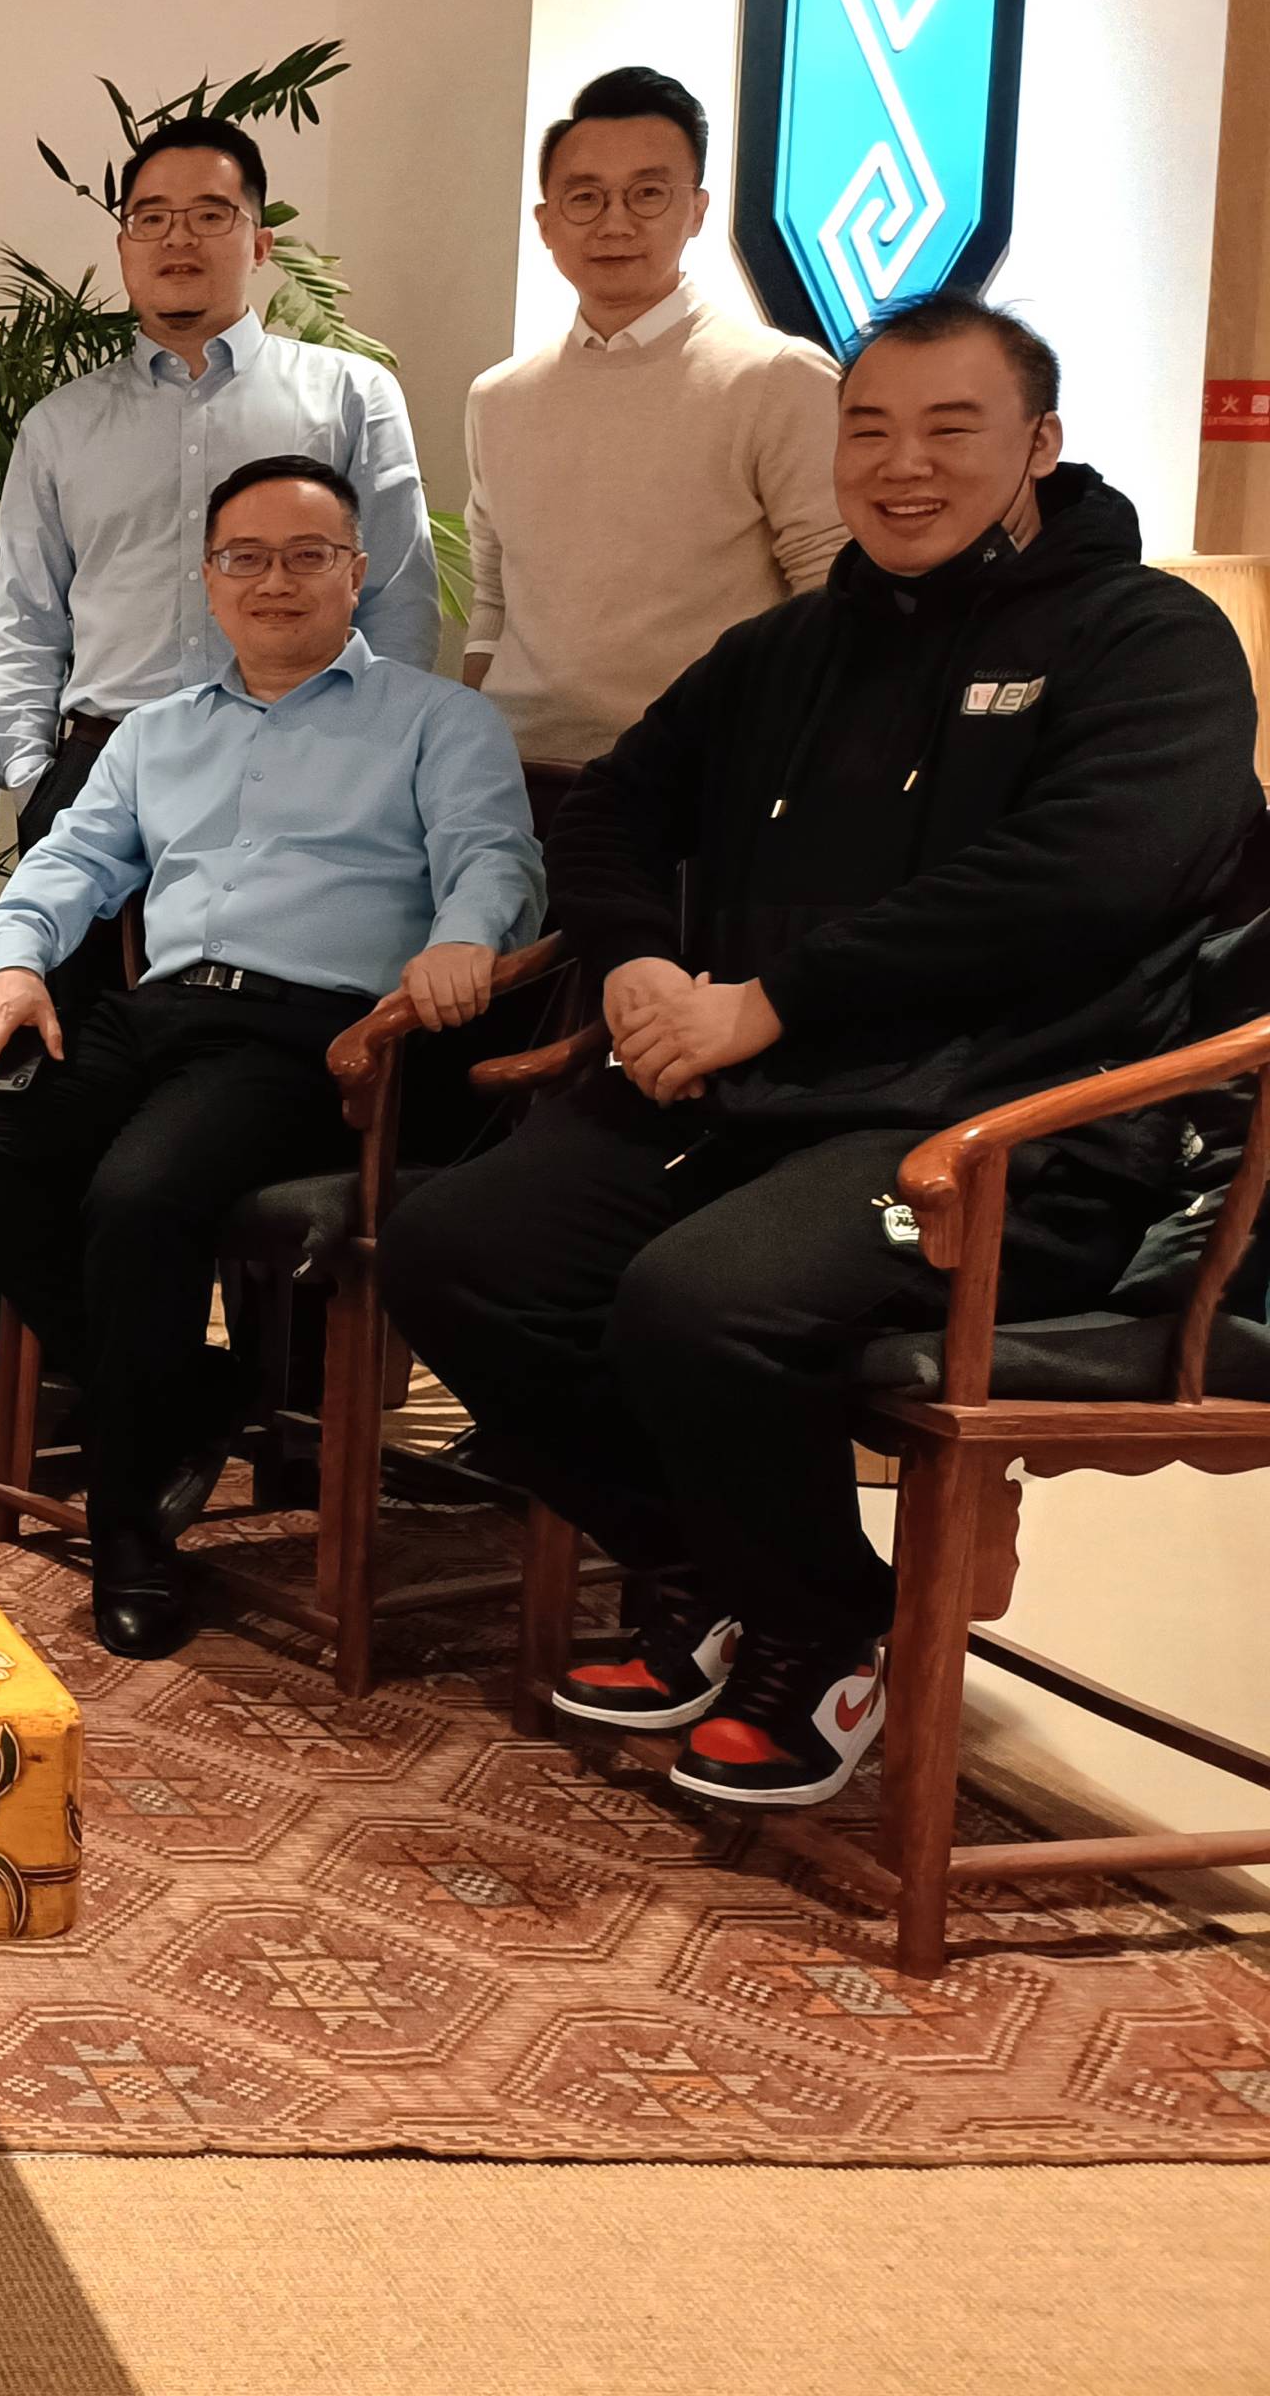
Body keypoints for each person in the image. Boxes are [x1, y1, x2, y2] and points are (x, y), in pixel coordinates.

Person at [381, 302, 1261, 1807]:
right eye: (870, 430)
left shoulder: (1146, 640)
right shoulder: (786, 647)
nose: (902, 465)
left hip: (1005, 1135)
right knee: (456, 1250)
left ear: (1038, 445)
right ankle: (704, 1567)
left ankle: (816, 1631)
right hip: (755, 1099)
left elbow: (1086, 875)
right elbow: (610, 811)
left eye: (950, 429)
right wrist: (640, 963)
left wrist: (772, 999)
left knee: (703, 1301)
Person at [0, 453, 542, 1660]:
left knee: (138, 1196)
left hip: (319, 1036)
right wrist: (17, 961)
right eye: (244, 558)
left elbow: (492, 857)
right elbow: (68, 862)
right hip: (158, 1017)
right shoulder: (153, 733)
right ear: (207, 580)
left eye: (306, 556)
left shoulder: (437, 721)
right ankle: (189, 1394)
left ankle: (129, 1529)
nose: (274, 581)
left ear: (355, 573)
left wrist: (463, 938)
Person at [0, 114, 437, 833]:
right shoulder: (59, 425)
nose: (178, 238)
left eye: (209, 214)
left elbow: (396, 598)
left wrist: (373, 756)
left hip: (307, 756)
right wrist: (34, 779)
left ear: (260, 243)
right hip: (105, 769)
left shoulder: (351, 396)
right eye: (151, 217)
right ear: (124, 244)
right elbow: (26, 619)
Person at [464, 64, 843, 783]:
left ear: (696, 210)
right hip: (516, 772)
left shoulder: (778, 378)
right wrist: (473, 732)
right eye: (585, 198)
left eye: (647, 193)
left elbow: (829, 590)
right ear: (546, 222)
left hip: (695, 776)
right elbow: (493, 594)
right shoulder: (499, 396)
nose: (615, 224)